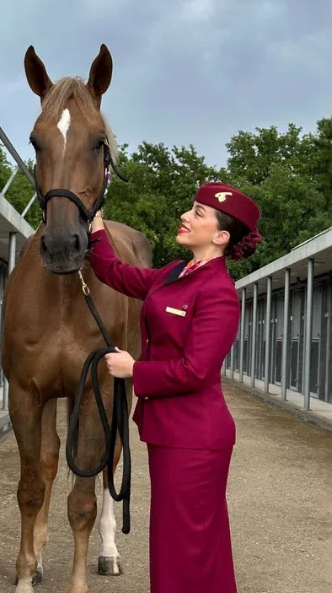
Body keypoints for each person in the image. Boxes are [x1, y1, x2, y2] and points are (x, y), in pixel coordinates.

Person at [86, 180, 261, 593]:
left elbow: (197, 370)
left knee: (183, 546)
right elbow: (117, 273)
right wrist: (96, 228)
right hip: (173, 432)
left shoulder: (219, 292)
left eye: (198, 213)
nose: (185, 215)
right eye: (191, 208)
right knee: (188, 543)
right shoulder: (176, 273)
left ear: (220, 236)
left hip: (196, 438)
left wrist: (134, 369)